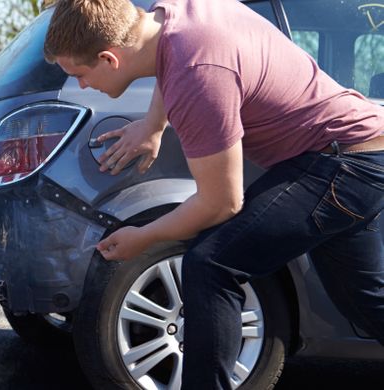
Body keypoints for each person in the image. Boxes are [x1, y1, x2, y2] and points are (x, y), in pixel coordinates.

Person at [44, 0, 384, 388]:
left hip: (343, 163)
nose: (82, 85)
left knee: (211, 265)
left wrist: (144, 236)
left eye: (80, 74)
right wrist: (153, 124)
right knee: (365, 301)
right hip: (362, 152)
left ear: (109, 58)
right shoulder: (171, 15)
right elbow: (168, 59)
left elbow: (222, 203)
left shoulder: (197, 74)